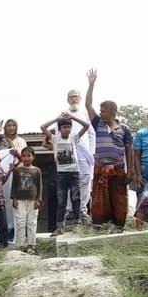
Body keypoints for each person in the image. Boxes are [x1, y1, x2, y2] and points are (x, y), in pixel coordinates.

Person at [84, 68, 134, 231]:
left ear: (112, 112)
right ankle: (99, 225)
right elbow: (88, 105)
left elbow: (129, 150)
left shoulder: (124, 128)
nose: (100, 112)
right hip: (100, 168)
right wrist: (91, 85)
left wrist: (131, 171)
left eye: (103, 110)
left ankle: (118, 225)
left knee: (119, 197)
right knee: (99, 198)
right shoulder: (98, 123)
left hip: (118, 169)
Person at [42, 112, 90, 235]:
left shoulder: (74, 138)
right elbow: (43, 127)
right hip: (61, 173)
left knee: (76, 198)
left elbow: (86, 125)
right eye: (64, 127)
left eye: (68, 127)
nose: (66, 129)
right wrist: (56, 119)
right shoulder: (55, 139)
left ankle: (76, 225)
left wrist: (72, 117)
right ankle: (59, 227)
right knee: (61, 201)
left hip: (74, 172)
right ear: (60, 129)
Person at [65, 89, 97, 222]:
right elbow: (57, 133)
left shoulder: (85, 115)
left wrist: (91, 151)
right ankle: (69, 210)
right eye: (71, 97)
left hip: (84, 152)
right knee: (68, 181)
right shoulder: (63, 114)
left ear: (80, 98)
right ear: (67, 99)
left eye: (76, 97)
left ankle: (82, 209)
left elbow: (91, 134)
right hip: (68, 152)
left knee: (85, 180)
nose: (74, 99)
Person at [11, 147, 42, 254]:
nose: (26, 158)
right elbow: (14, 186)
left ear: (33, 157)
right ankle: (21, 245)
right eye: (23, 156)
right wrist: (14, 198)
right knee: (20, 222)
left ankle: (31, 244)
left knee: (31, 222)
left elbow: (39, 186)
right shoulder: (17, 170)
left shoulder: (37, 170)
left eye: (29, 156)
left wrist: (39, 200)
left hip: (33, 200)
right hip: (19, 200)